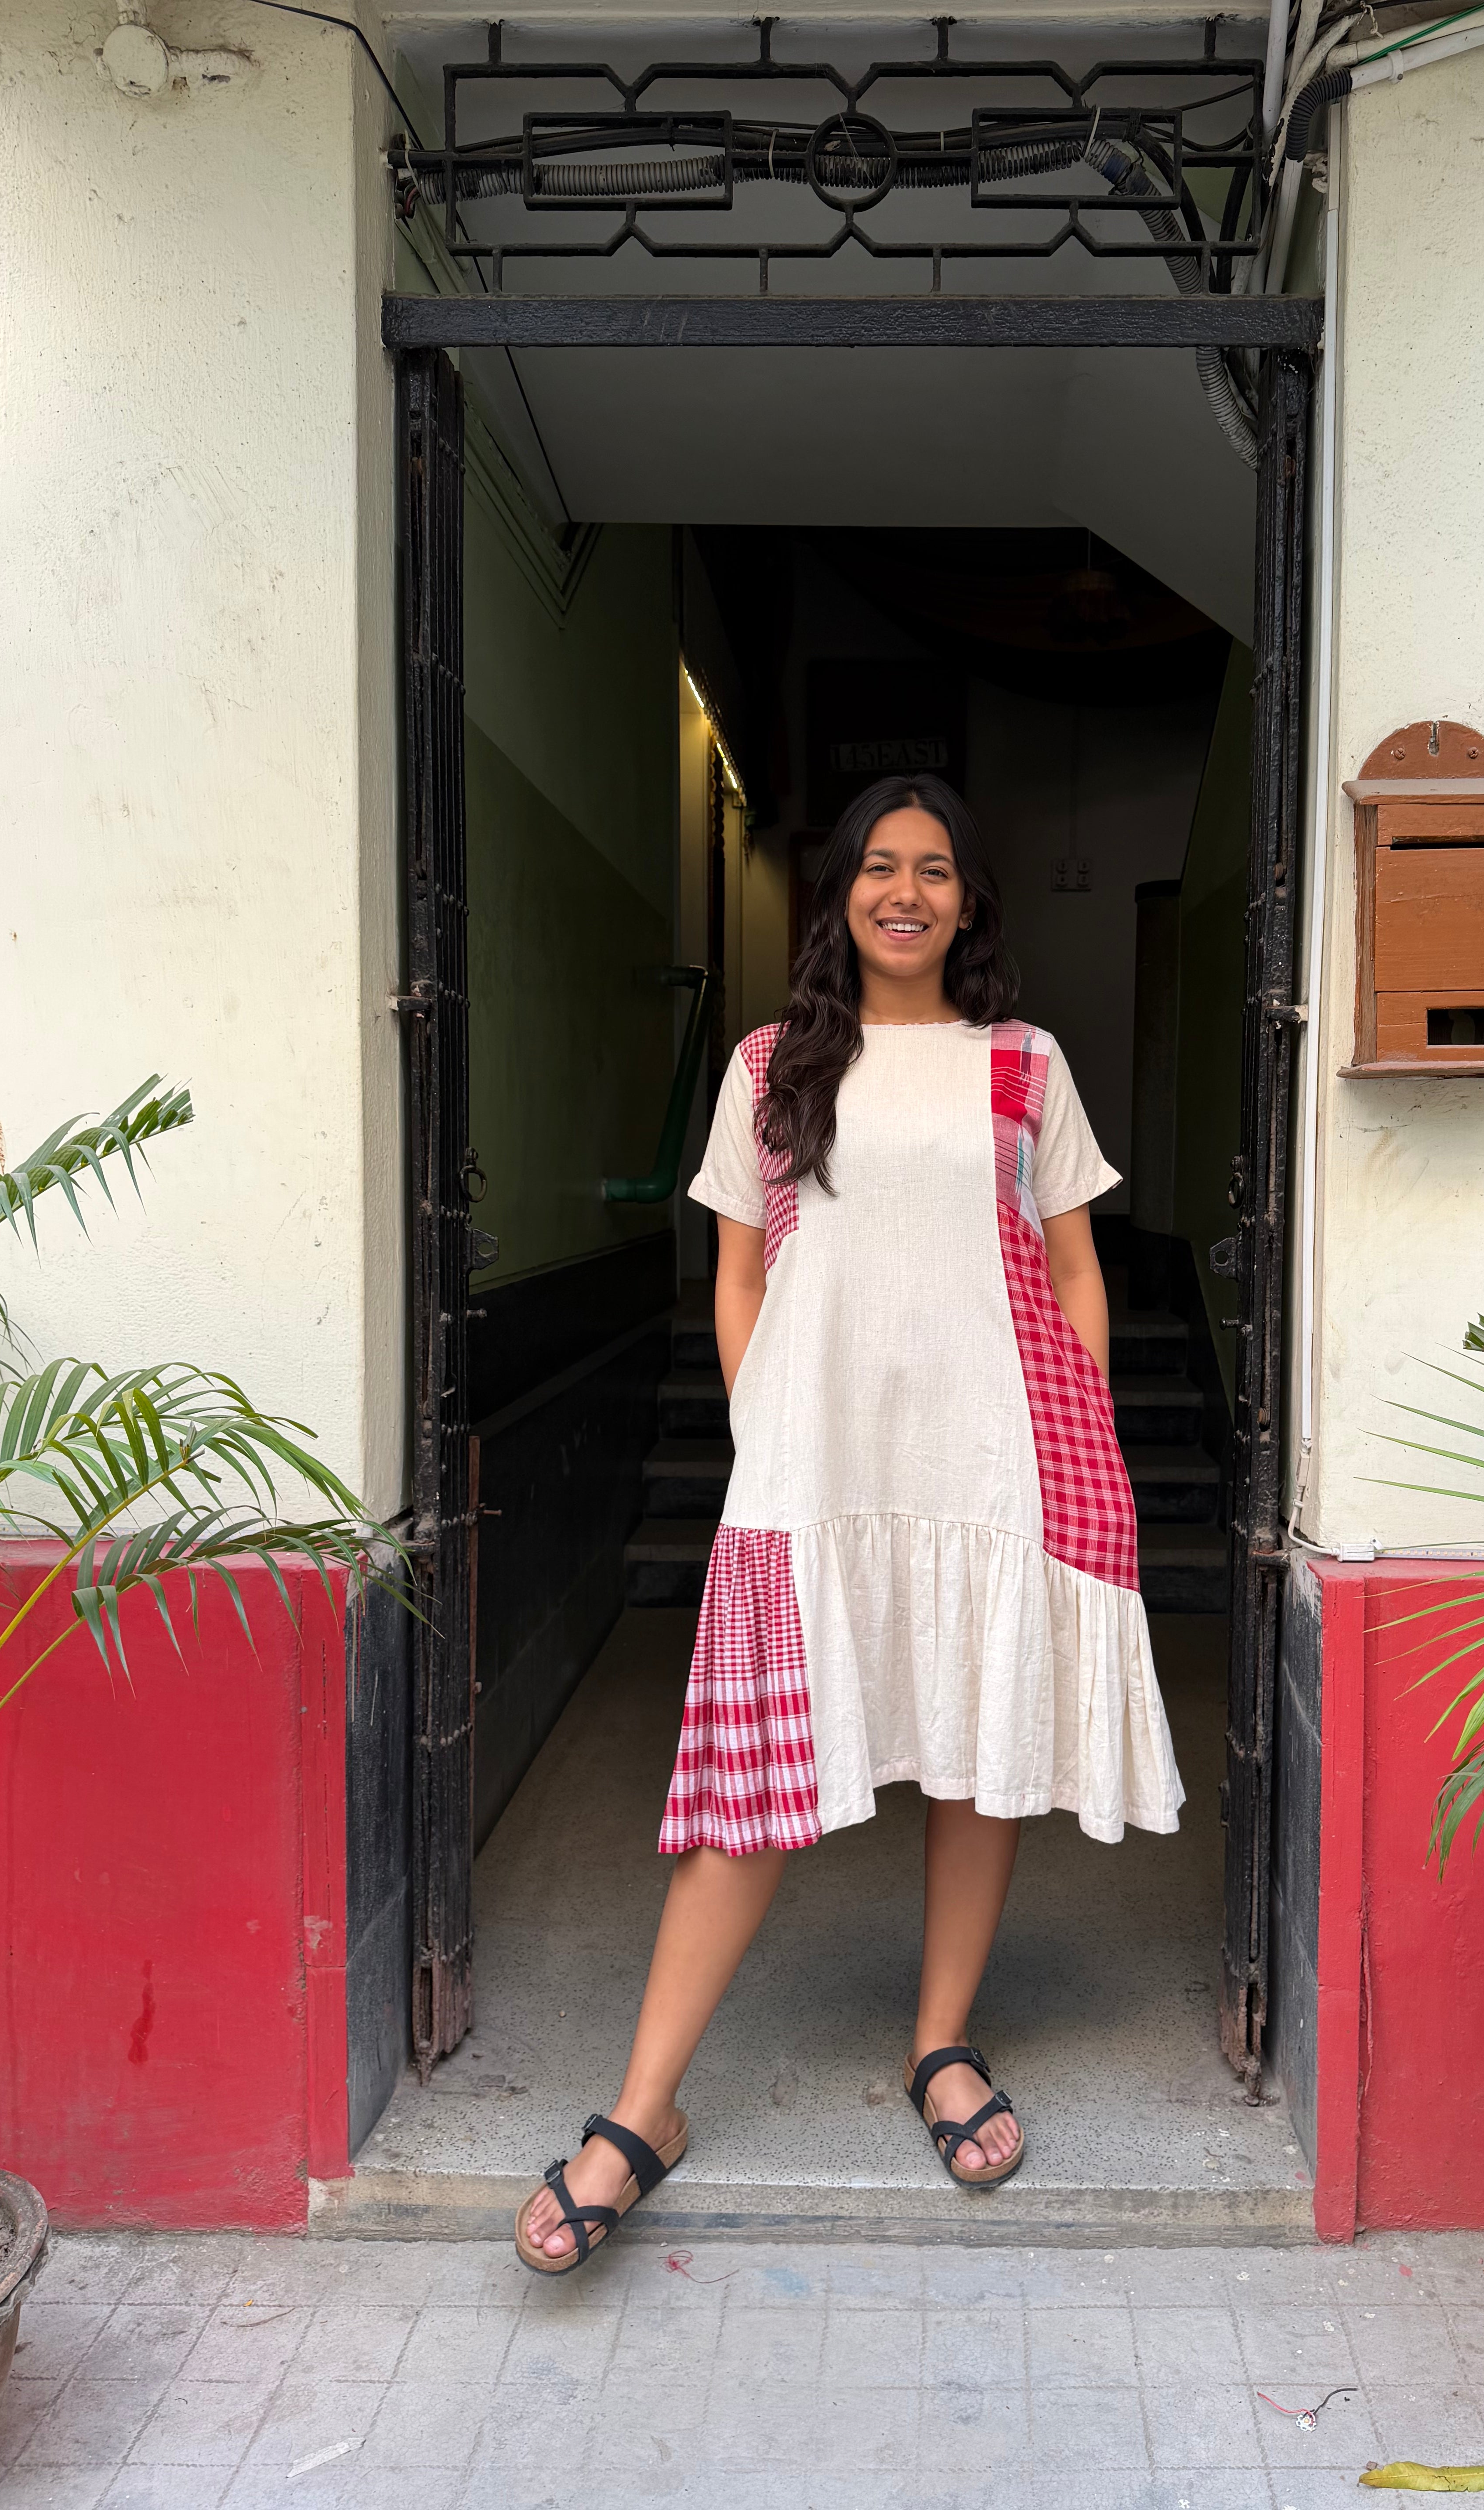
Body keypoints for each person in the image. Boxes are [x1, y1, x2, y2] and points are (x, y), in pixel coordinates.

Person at [515, 772, 1184, 2273]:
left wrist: (1073, 1414)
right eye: (878, 868)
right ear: (837, 897)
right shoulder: (769, 1063)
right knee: (746, 1787)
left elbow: (1076, 1262)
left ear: (968, 901)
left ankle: (939, 2045)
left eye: (934, 870)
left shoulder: (1024, 1062)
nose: (905, 892)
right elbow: (737, 1277)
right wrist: (770, 1428)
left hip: (999, 1457)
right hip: (816, 1467)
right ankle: (642, 2108)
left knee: (977, 1747)